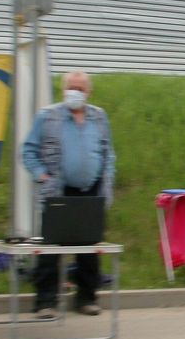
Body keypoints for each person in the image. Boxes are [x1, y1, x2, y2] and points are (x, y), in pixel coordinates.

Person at [22, 70, 115, 318]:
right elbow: (28, 151)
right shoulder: (48, 117)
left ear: (89, 92)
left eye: (81, 88)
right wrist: (42, 176)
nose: (76, 92)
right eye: (71, 87)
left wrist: (107, 180)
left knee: (89, 248)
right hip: (58, 192)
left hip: (91, 191)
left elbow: (108, 153)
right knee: (50, 248)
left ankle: (86, 297)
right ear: (63, 90)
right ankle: (45, 301)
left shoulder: (98, 117)